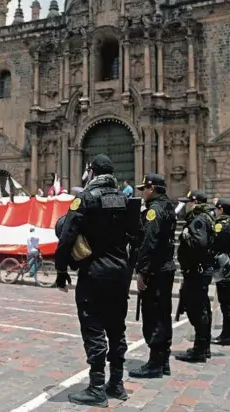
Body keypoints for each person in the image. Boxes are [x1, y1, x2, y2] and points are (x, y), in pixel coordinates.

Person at [55, 154, 131, 407]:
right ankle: (117, 384)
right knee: (117, 328)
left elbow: (67, 236)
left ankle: (97, 388)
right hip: (120, 274)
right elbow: (137, 237)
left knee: (94, 328)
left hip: (94, 273)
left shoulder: (85, 199)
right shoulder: (126, 200)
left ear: (91, 171)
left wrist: (61, 270)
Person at [129, 173, 176, 379]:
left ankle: (155, 364)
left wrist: (142, 271)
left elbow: (149, 242)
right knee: (164, 315)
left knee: (153, 315)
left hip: (155, 270)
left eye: (145, 189)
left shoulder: (154, 211)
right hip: (165, 268)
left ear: (152, 189)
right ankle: (163, 361)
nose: (143, 193)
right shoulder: (169, 207)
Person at [175, 190, 215, 363]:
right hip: (200, 270)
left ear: (195, 203)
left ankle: (199, 350)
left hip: (196, 271)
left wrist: (186, 236)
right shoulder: (207, 218)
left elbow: (199, 243)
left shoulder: (198, 220)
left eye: (188, 202)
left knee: (196, 309)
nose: (186, 206)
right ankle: (203, 346)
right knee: (202, 308)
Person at [211, 198, 230, 346]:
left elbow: (216, 243)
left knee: (226, 302)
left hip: (225, 266)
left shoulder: (221, 225)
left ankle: (228, 335)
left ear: (220, 209)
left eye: (216, 209)